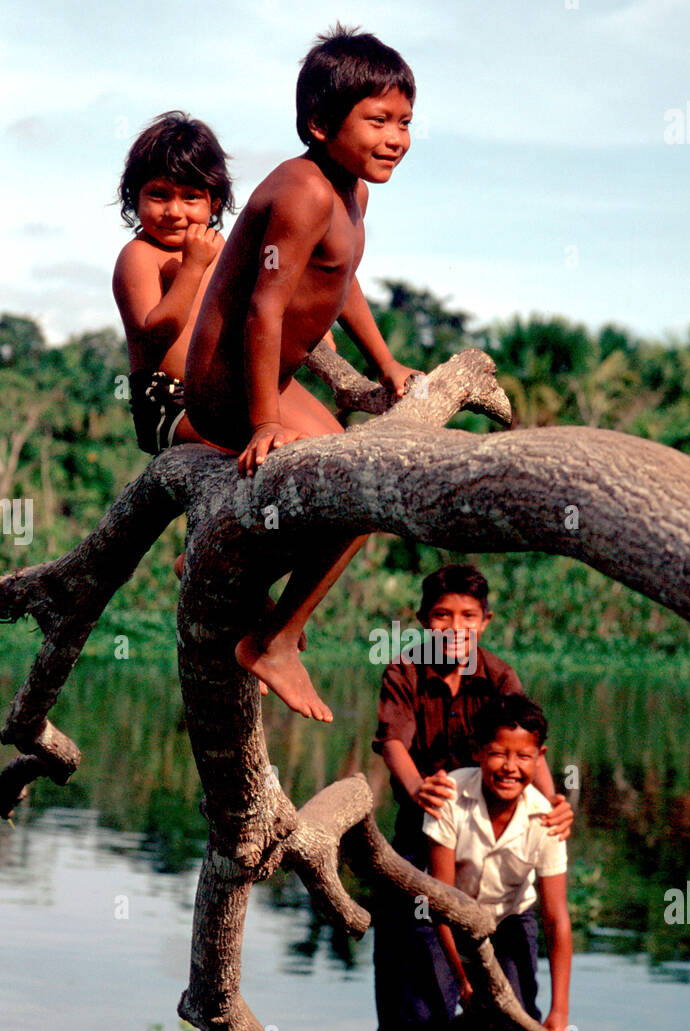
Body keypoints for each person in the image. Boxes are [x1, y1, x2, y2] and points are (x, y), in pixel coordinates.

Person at [185, 25, 417, 722]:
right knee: (360, 491)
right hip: (230, 387)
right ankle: (274, 640)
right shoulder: (305, 191)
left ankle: (231, 579)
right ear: (320, 124)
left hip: (274, 383)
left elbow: (340, 280)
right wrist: (260, 421)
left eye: (405, 121)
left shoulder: (351, 194)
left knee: (363, 480)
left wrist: (385, 367)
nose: (396, 137)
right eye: (377, 120)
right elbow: (265, 307)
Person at [341, 564, 574, 1031]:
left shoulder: (498, 675)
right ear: (423, 620)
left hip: (485, 808)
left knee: (499, 929)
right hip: (426, 819)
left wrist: (554, 800)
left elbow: (526, 744)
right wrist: (417, 787)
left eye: (468, 617)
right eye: (442, 616)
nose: (455, 627)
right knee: (400, 943)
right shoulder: (404, 669)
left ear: (485, 622)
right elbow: (394, 741)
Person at [423, 693, 573, 1031]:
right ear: (477, 751)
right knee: (434, 1014)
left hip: (508, 919)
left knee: (517, 1023)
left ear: (539, 757)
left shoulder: (546, 819)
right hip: (449, 916)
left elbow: (556, 919)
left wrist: (560, 1014)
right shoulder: (450, 794)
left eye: (524, 757)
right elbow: (441, 901)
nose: (510, 768)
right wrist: (463, 981)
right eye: (497, 755)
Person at [113, 111, 234, 455]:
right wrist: (193, 268)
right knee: (241, 447)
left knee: (308, 435)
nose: (174, 211)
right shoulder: (139, 256)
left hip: (217, 395)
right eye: (159, 195)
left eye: (191, 197)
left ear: (215, 202)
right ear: (135, 198)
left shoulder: (219, 245)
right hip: (167, 404)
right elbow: (156, 333)